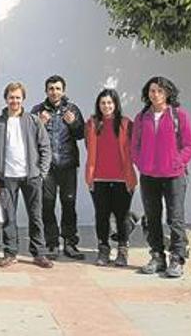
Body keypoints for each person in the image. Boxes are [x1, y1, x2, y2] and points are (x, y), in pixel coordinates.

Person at [132, 76, 191, 278]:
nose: (155, 94)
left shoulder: (179, 115)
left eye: (160, 90)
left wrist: (178, 163)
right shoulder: (141, 118)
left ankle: (177, 258)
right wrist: (141, 163)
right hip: (149, 175)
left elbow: (189, 145)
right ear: (147, 93)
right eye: (152, 90)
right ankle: (157, 256)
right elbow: (134, 146)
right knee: (152, 218)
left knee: (175, 218)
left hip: (174, 176)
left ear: (168, 93)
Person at [0, 82, 53, 269]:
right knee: (9, 216)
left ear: (23, 99)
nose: (14, 101)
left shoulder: (33, 120)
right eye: (11, 97)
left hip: (31, 176)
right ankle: (10, 253)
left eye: (17, 97)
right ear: (6, 99)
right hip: (7, 177)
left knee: (36, 216)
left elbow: (45, 146)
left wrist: (42, 172)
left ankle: (39, 253)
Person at [31, 75, 85, 260]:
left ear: (64, 90)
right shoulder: (37, 111)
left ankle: (70, 243)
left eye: (58, 88)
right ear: (46, 91)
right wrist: (40, 123)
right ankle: (52, 243)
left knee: (69, 204)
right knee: (47, 205)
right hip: (47, 167)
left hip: (68, 165)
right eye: (51, 88)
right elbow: (29, 137)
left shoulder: (72, 109)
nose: (54, 92)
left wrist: (74, 123)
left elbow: (81, 134)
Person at [84, 89, 136, 267]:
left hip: (122, 178)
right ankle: (103, 249)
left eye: (109, 103)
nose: (106, 106)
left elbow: (133, 148)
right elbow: (88, 147)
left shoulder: (126, 124)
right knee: (102, 216)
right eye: (103, 103)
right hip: (99, 178)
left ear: (115, 104)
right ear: (98, 105)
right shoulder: (92, 124)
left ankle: (122, 250)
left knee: (122, 216)